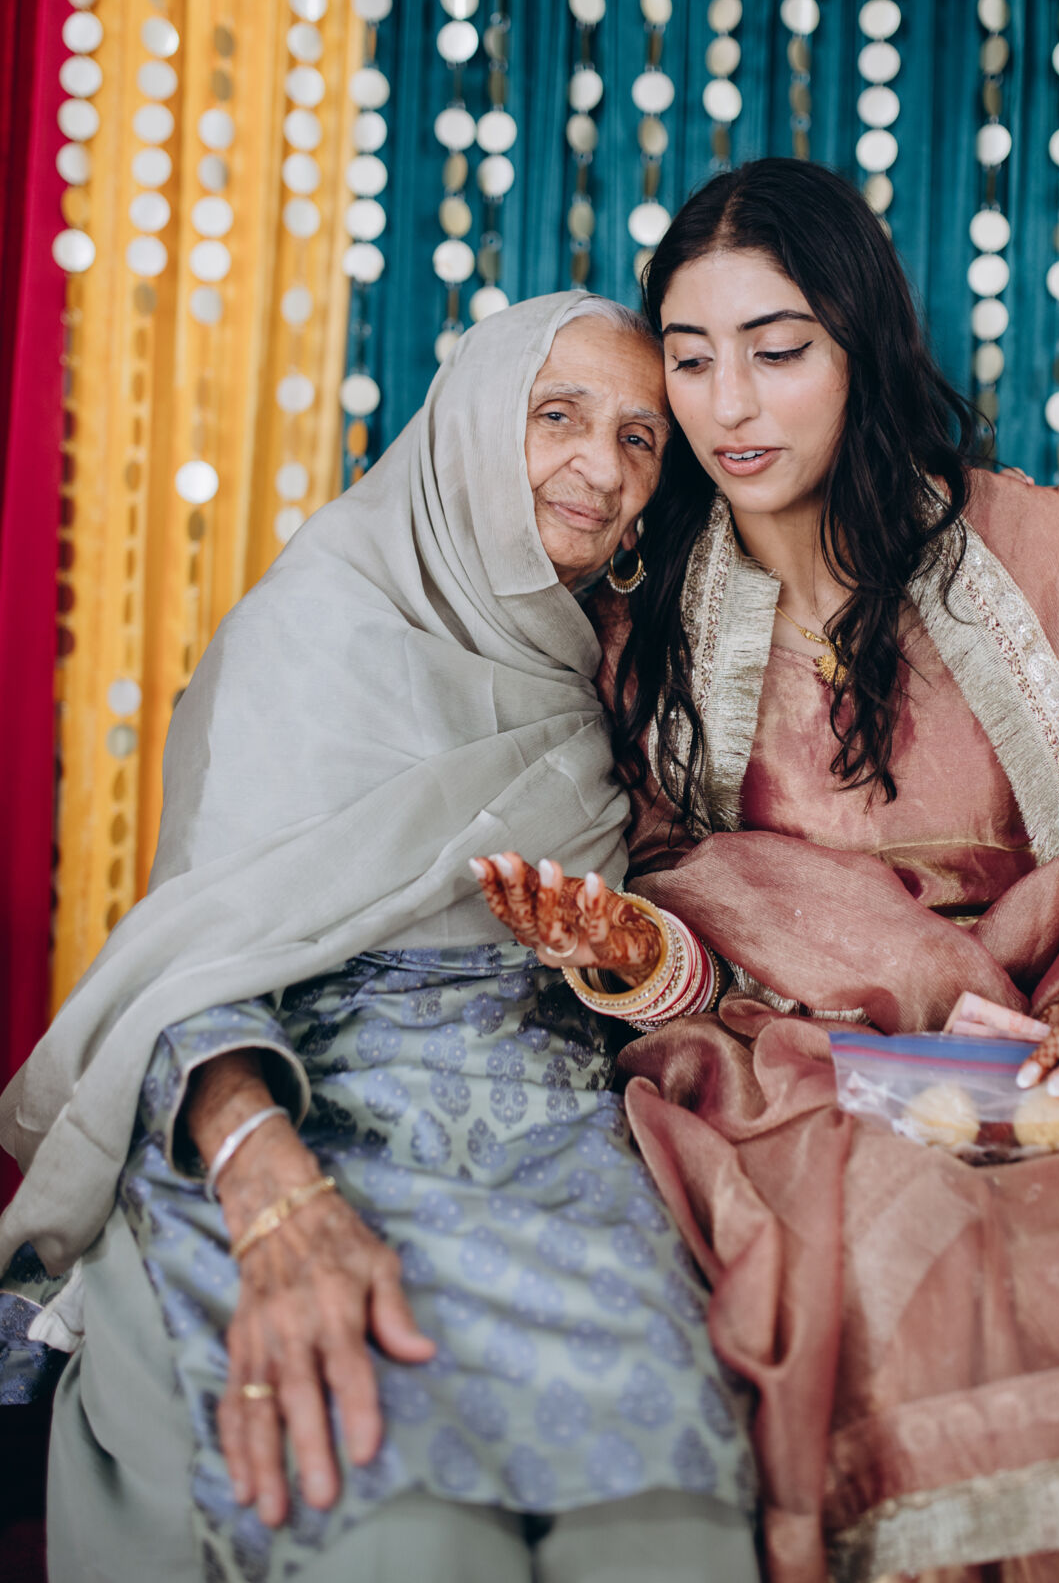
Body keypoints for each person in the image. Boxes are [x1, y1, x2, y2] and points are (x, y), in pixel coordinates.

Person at [475, 161, 1059, 1583]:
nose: (729, 405)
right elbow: (667, 888)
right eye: (691, 359)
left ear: (859, 345)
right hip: (797, 1070)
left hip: (1058, 1037)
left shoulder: (1033, 554)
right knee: (889, 1246)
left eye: (777, 352)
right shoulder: (643, 619)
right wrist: (634, 951)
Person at [0, 292, 760, 1583]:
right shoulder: (314, 624)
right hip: (293, 1106)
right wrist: (267, 1184)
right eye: (558, 416)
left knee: (658, 1516)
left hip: (547, 1145)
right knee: (398, 1526)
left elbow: (710, 930)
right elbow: (196, 956)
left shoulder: (626, 673)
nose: (601, 465)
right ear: (470, 426)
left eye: (641, 439)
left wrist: (629, 953)